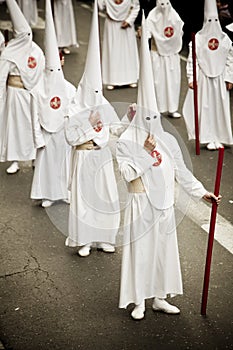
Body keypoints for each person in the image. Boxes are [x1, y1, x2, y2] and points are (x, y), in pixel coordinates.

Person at [116, 13, 221, 320]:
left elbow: (180, 170)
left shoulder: (168, 141)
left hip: (163, 203)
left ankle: (160, 297)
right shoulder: (126, 140)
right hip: (140, 203)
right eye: (146, 119)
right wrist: (145, 154)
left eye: (155, 118)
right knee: (142, 252)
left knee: (163, 252)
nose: (152, 126)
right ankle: (138, 300)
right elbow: (127, 174)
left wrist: (202, 193)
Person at [64, 0, 123, 257]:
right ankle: (86, 239)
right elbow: (68, 135)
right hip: (83, 157)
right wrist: (86, 127)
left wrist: (130, 121)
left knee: (105, 198)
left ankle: (104, 238)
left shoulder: (103, 102)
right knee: (85, 199)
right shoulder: (74, 106)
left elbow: (116, 128)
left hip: (101, 158)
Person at [30, 0, 76, 208]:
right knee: (47, 164)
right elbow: (33, 117)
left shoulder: (69, 89)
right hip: (47, 132)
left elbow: (74, 110)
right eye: (51, 71)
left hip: (63, 132)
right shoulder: (37, 90)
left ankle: (64, 191)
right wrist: (38, 138)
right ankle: (47, 193)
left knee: (64, 164)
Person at [0, 0, 45, 174]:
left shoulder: (35, 50)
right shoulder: (9, 53)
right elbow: (2, 77)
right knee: (15, 128)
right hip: (14, 94)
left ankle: (35, 157)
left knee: (33, 126)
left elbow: (41, 67)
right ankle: (15, 160)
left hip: (32, 93)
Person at [182, 0, 233, 151]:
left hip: (220, 78)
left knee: (219, 107)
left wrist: (230, 77)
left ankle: (220, 137)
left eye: (215, 20)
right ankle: (207, 137)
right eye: (210, 20)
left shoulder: (225, 39)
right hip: (204, 77)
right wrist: (192, 78)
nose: (212, 23)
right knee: (205, 107)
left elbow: (230, 58)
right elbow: (192, 59)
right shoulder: (198, 39)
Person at [146, 0, 184, 118]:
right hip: (157, 54)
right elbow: (147, 30)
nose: (164, 7)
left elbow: (180, 28)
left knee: (173, 82)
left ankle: (172, 108)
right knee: (158, 82)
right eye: (162, 4)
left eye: (167, 4)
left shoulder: (174, 15)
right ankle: (158, 108)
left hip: (172, 55)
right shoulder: (152, 16)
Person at [98, 0, 140, 90]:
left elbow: (136, 6)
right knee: (112, 51)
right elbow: (100, 7)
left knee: (127, 52)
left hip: (126, 25)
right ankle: (112, 80)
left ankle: (130, 78)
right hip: (111, 24)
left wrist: (129, 21)